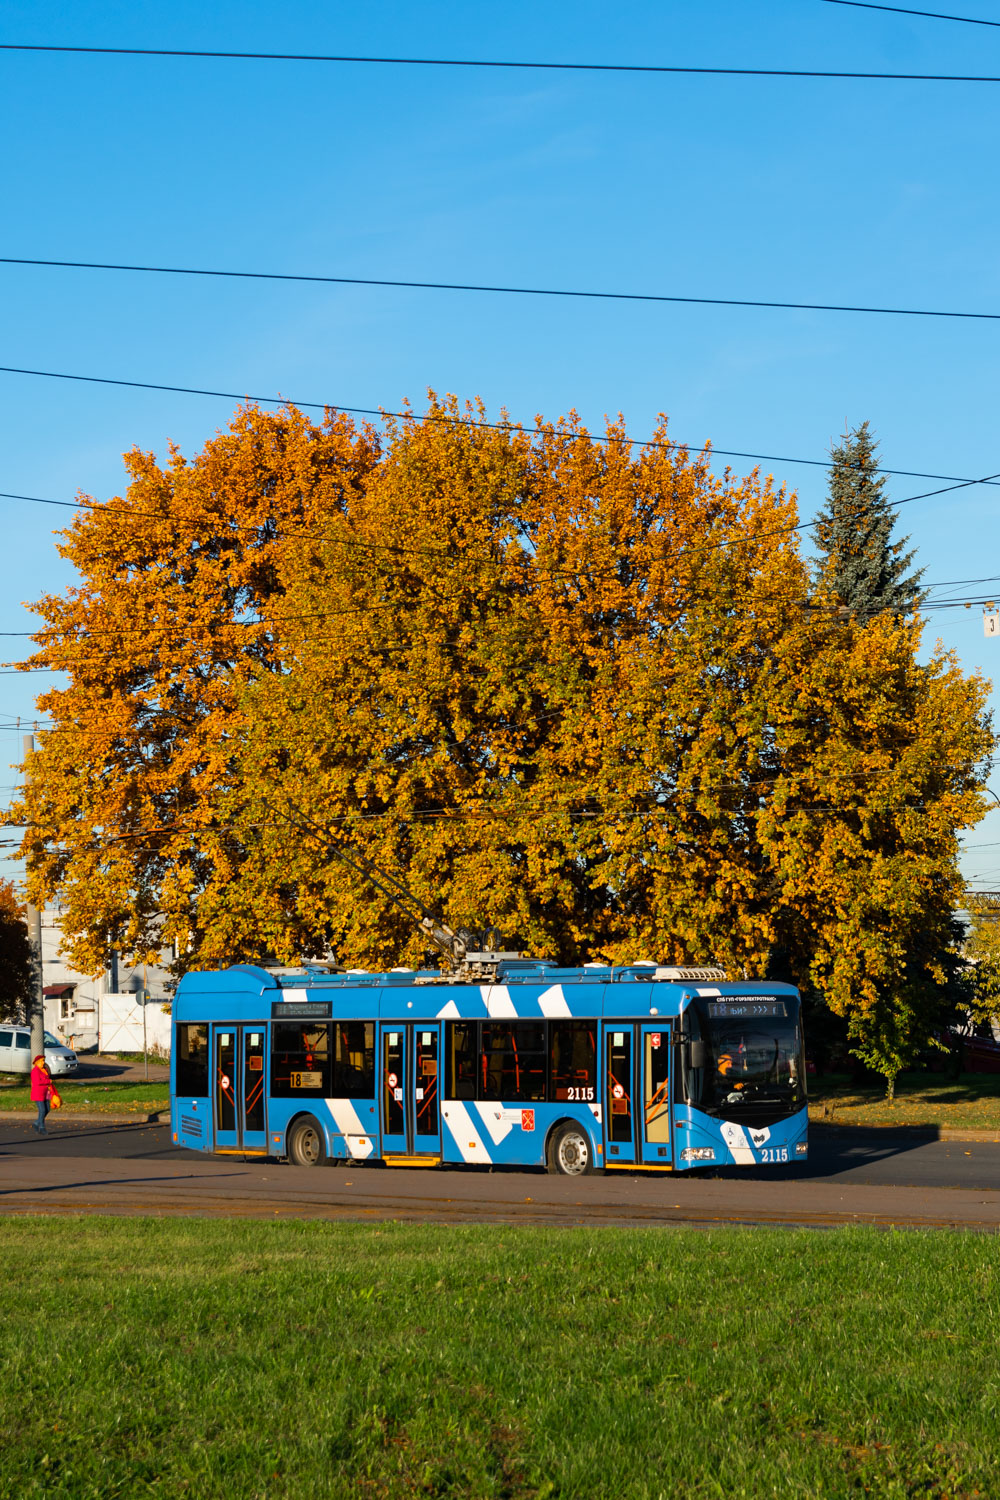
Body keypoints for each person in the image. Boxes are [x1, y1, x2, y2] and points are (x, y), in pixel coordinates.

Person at [30, 1053, 54, 1136]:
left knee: (47, 1109)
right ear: (37, 1062)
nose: (43, 1062)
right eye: (41, 1061)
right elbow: (37, 1082)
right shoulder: (35, 1071)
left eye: (43, 1060)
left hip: (46, 1093)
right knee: (42, 1110)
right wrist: (48, 1081)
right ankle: (42, 1128)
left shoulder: (44, 1070)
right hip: (38, 1094)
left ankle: (36, 1123)